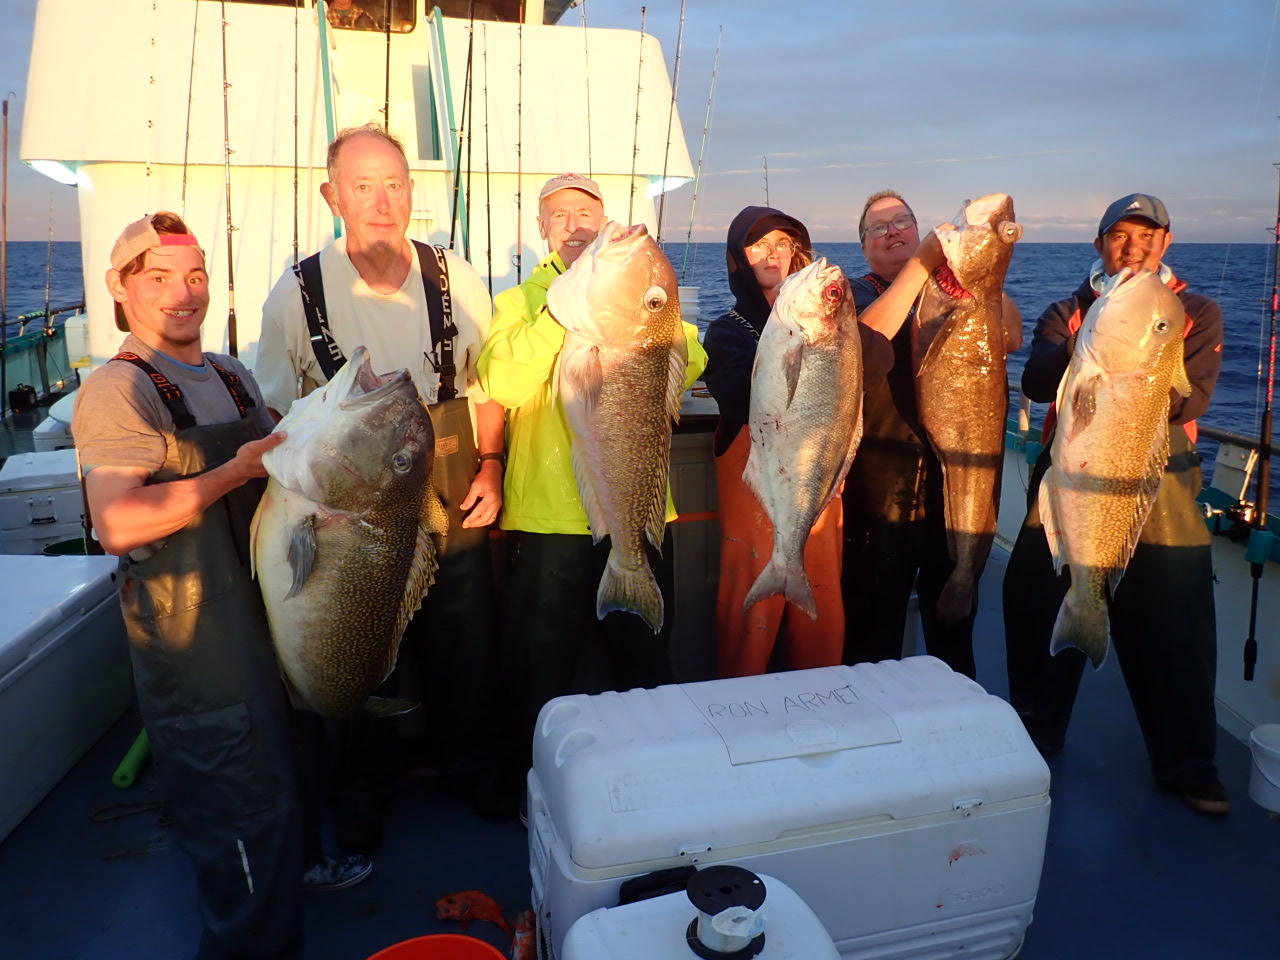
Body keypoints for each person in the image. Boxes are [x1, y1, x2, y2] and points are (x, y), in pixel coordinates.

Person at [73, 213, 369, 960]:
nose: (184, 293)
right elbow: (117, 522)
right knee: (238, 797)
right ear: (119, 288)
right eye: (159, 278)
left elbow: (288, 457)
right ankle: (251, 937)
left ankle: (299, 867)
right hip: (195, 636)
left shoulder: (232, 376)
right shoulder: (119, 390)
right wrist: (232, 472)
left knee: (294, 756)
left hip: (265, 607)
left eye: (196, 275)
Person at [256, 123, 510, 829]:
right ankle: (364, 790)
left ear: (410, 191)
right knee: (355, 628)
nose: (381, 201)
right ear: (332, 196)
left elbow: (487, 384)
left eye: (393, 184)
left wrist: (491, 465)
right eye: (363, 186)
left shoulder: (453, 276)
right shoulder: (296, 292)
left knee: (465, 634)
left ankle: (478, 767)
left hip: (449, 467)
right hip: (343, 484)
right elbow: (272, 406)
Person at [1002, 193, 1227, 815]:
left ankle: (1188, 763)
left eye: (1146, 236)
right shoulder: (1069, 309)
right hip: (1070, 465)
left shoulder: (1194, 312)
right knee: (1029, 592)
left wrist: (1135, 367)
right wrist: (1087, 339)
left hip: (1159, 469)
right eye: (1120, 236)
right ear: (1100, 244)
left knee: (1177, 616)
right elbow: (1036, 380)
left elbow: (1191, 399)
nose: (1133, 248)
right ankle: (1035, 729)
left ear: (1166, 242)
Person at [477, 173, 707, 758]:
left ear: (603, 223)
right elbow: (501, 381)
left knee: (645, 665)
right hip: (548, 518)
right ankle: (538, 781)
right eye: (559, 215)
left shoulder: (645, 296)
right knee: (540, 672)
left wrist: (638, 313)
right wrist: (563, 313)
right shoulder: (521, 302)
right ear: (542, 229)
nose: (574, 225)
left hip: (639, 509)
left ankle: (656, 768)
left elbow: (692, 357)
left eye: (586, 213)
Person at [702, 205, 915, 678]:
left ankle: (821, 699)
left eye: (783, 243)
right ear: (738, 257)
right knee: (748, 623)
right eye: (759, 245)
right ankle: (738, 704)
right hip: (759, 504)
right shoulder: (727, 331)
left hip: (816, 496)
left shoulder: (834, 329)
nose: (773, 253)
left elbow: (878, 361)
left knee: (821, 610)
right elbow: (737, 396)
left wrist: (841, 325)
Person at [840, 191, 1022, 679]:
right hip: (880, 486)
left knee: (953, 640)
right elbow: (861, 343)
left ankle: (954, 709)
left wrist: (984, 272)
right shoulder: (856, 293)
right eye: (879, 228)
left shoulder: (956, 287)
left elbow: (1011, 336)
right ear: (864, 246)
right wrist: (922, 265)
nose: (893, 232)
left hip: (953, 482)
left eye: (902, 221)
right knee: (872, 632)